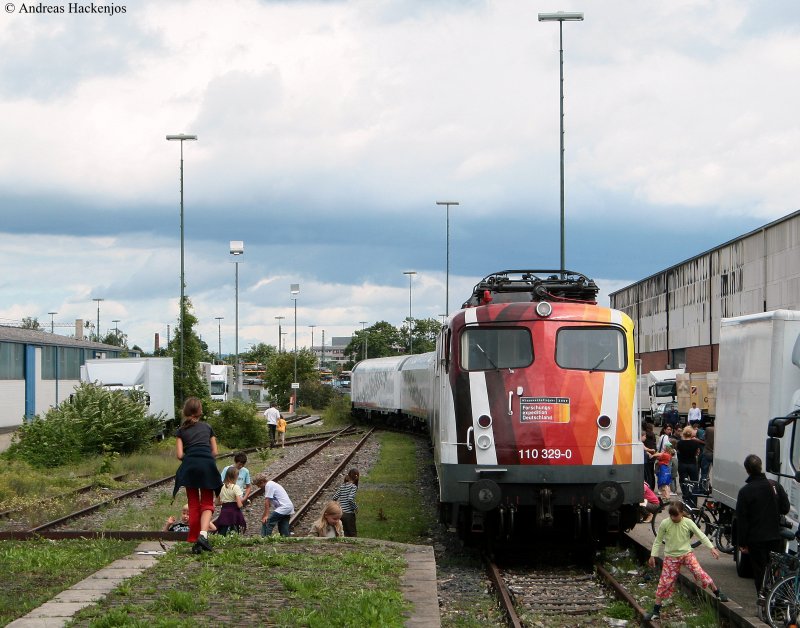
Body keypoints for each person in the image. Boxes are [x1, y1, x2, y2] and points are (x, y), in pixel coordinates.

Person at [644, 502, 728, 621]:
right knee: (664, 583)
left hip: (686, 554)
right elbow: (658, 540)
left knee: (699, 572)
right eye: (671, 516)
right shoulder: (665, 523)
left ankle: (717, 592)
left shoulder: (688, 522)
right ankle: (655, 610)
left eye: (676, 515)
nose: (673, 518)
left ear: (682, 513)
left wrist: (711, 548)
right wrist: (653, 555)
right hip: (671, 557)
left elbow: (701, 535)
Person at [736, 454, 791, 600]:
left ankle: (763, 598)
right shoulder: (774, 486)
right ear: (761, 467)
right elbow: (785, 508)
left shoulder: (745, 491)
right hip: (774, 535)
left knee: (760, 570)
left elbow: (742, 519)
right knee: (775, 568)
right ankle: (777, 599)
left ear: (747, 470)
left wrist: (742, 542)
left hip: (756, 538)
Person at [173, 397, 222, 554]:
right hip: (207, 465)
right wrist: (205, 458)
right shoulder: (208, 427)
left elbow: (180, 455)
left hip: (190, 467)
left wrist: (191, 456)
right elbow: (215, 452)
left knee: (193, 503)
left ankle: (195, 539)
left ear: (186, 411)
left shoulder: (181, 431)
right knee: (207, 502)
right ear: (200, 411)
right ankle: (203, 535)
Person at [214, 465, 247, 536]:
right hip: (234, 512)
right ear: (235, 477)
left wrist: (225, 502)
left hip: (224, 511)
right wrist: (242, 504)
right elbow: (239, 504)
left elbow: (216, 503)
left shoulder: (221, 487)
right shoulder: (236, 487)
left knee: (222, 531)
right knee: (234, 530)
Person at [676, 426, 703, 507]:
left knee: (683, 482)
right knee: (694, 482)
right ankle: (693, 501)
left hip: (682, 464)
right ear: (691, 434)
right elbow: (697, 453)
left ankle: (686, 499)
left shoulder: (680, 443)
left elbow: (678, 452)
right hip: (692, 464)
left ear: (683, 433)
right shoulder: (695, 443)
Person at [332, 468, 359, 537]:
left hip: (341, 513)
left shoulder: (342, 486)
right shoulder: (353, 487)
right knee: (352, 533)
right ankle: (354, 546)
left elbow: (334, 498)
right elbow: (350, 499)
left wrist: (338, 506)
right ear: (356, 477)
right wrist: (355, 507)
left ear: (349, 476)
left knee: (344, 532)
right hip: (349, 514)